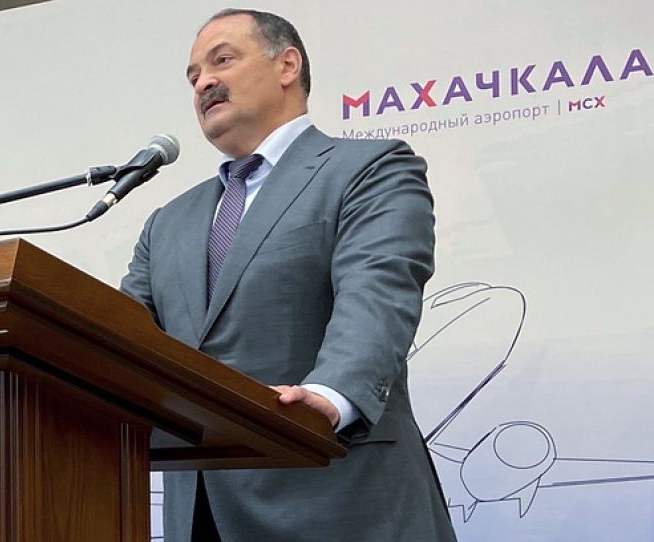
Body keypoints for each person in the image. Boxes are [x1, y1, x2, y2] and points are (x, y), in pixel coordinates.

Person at [120, 8, 457, 542]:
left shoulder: (369, 169)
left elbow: (378, 291)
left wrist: (331, 394)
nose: (203, 83)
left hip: (336, 493)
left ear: (287, 65)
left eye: (222, 60)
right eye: (193, 76)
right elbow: (121, 333)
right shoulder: (168, 222)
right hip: (200, 509)